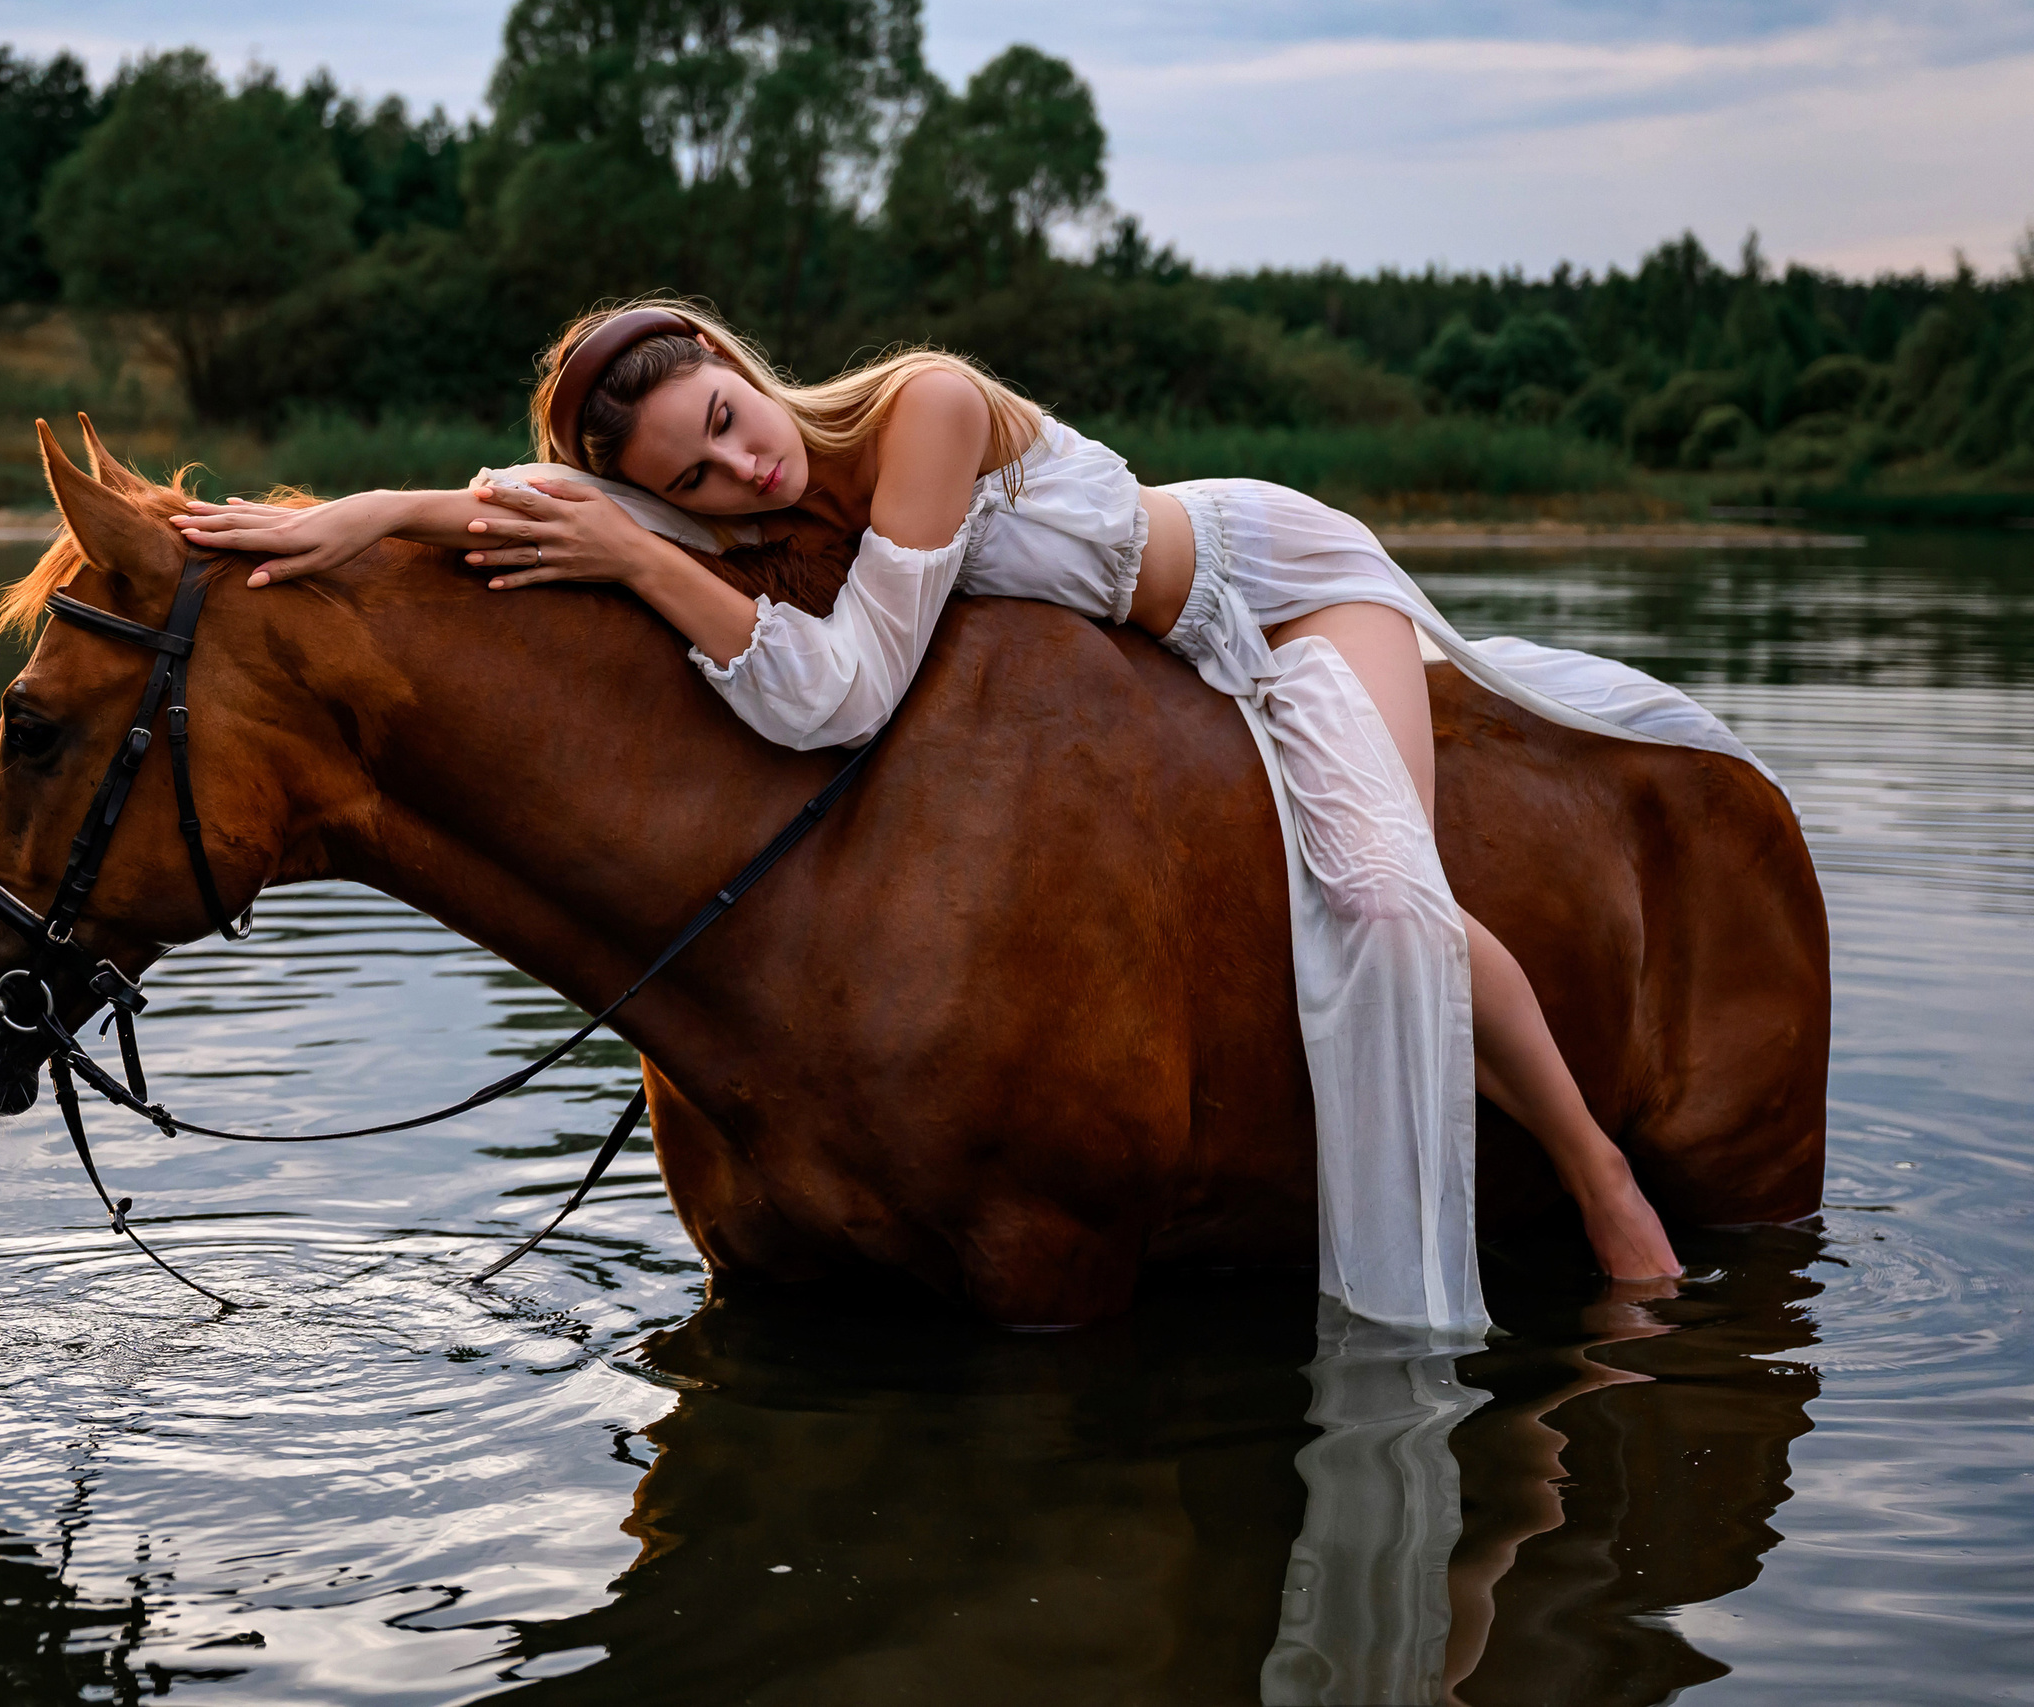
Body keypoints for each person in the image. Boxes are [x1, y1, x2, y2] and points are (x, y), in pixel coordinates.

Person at [169, 300, 1764, 1334]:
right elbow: (526, 512)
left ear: (736, 362)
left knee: (1383, 893)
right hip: (1161, 665)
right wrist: (369, 513)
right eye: (699, 482)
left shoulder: (918, 408)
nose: (743, 472)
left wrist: (655, 562)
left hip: (1271, 594)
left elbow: (842, 694)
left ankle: (1597, 1178)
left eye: (728, 418)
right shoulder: (743, 505)